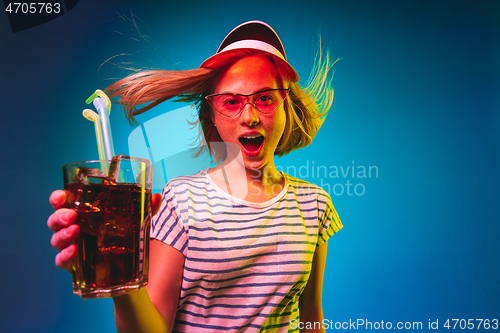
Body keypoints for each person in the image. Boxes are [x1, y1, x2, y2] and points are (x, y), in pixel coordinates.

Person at [48, 21, 342, 333]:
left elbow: (311, 317)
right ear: (213, 115)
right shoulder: (180, 201)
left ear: (287, 107)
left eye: (265, 98)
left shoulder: (315, 204)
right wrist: (124, 286)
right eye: (231, 102)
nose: (249, 116)